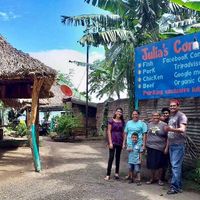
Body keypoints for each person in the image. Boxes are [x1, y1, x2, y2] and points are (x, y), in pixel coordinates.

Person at [166, 99, 187, 195]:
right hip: (172, 144)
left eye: (174, 106)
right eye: (171, 106)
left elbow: (182, 129)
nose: (172, 107)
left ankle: (174, 188)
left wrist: (171, 129)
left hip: (178, 145)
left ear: (178, 106)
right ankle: (178, 186)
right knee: (176, 166)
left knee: (175, 166)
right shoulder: (172, 117)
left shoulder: (181, 116)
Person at [123, 110, 147, 180]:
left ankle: (137, 175)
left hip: (138, 144)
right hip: (130, 144)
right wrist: (124, 143)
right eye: (133, 114)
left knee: (138, 159)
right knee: (130, 159)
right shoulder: (128, 123)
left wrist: (144, 145)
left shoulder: (142, 124)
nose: (135, 116)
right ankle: (130, 175)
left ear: (138, 115)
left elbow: (144, 134)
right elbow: (125, 133)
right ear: (131, 115)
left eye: (136, 114)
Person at [145, 111, 168, 186]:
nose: (156, 117)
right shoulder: (149, 124)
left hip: (160, 147)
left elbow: (168, 137)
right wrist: (145, 144)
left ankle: (160, 179)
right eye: (154, 116)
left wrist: (166, 148)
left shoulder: (164, 125)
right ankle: (152, 178)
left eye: (157, 116)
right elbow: (145, 134)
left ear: (160, 116)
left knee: (160, 165)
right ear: (152, 117)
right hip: (150, 147)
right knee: (151, 164)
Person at [104, 107, 125, 181]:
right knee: (111, 157)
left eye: (120, 112)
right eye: (118, 111)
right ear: (115, 112)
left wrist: (123, 143)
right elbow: (109, 131)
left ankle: (116, 173)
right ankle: (108, 174)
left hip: (119, 140)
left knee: (118, 158)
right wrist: (110, 142)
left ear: (121, 114)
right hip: (113, 140)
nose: (119, 113)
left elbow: (123, 133)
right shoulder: (111, 121)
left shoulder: (122, 122)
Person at [160, 107, 171, 182]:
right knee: (163, 161)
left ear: (169, 114)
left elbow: (169, 136)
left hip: (170, 143)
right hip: (162, 144)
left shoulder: (171, 122)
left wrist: (167, 147)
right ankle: (162, 177)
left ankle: (170, 177)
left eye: (167, 113)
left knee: (170, 161)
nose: (165, 114)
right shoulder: (161, 122)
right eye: (164, 113)